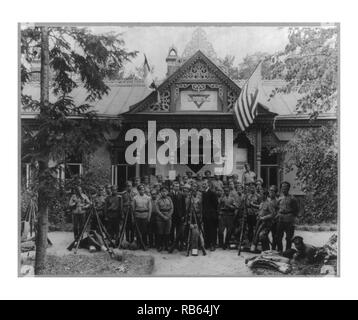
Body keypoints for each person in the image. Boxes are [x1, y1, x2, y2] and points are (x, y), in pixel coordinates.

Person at [276, 181, 299, 253]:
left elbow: (296, 210)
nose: (284, 189)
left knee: (289, 237)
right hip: (280, 219)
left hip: (289, 219)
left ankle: (287, 252)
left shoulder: (293, 198)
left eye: (285, 188)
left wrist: (293, 218)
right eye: (282, 188)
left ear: (288, 188)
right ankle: (280, 250)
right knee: (278, 237)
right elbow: (277, 208)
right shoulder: (279, 198)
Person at [253, 186, 278, 252]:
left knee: (262, 235)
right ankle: (264, 250)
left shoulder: (269, 203)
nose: (261, 196)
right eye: (260, 194)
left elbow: (272, 214)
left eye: (262, 194)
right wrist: (258, 215)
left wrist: (263, 218)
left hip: (267, 223)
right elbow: (260, 211)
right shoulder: (261, 203)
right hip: (260, 222)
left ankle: (267, 250)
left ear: (266, 195)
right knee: (257, 235)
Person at [168, 181, 187, 253]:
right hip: (172, 215)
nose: (177, 187)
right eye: (176, 186)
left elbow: (184, 206)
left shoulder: (181, 195)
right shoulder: (169, 194)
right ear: (173, 186)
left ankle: (179, 244)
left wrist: (183, 215)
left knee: (180, 231)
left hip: (179, 216)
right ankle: (172, 244)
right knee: (171, 230)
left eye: (178, 186)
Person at [132, 184, 152, 249]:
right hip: (137, 216)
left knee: (144, 231)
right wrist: (133, 218)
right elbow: (133, 209)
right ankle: (138, 244)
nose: (142, 191)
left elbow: (150, 209)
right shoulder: (135, 198)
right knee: (138, 231)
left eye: (143, 189)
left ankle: (144, 244)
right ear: (138, 190)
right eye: (140, 189)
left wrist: (148, 217)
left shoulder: (148, 198)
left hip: (145, 216)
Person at [201, 179, 219, 251]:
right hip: (205, 216)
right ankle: (207, 244)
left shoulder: (212, 193)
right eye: (203, 184)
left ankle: (213, 244)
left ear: (208, 185)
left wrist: (211, 214)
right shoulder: (203, 193)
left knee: (212, 231)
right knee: (206, 230)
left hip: (212, 216)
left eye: (205, 184)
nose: (203, 185)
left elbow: (215, 205)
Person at [155, 186, 174, 252]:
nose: (164, 193)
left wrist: (168, 216)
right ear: (160, 192)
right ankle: (160, 246)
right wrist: (163, 216)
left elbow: (172, 208)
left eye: (165, 191)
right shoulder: (158, 199)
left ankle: (167, 246)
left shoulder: (169, 199)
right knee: (160, 232)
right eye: (162, 191)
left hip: (168, 217)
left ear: (167, 192)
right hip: (160, 218)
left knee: (167, 232)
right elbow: (157, 209)